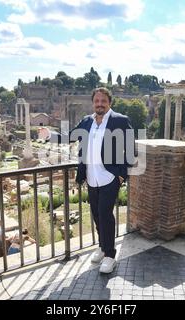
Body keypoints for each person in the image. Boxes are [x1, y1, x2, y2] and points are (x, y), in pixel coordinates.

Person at [50, 87, 135, 274]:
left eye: (103, 101)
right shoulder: (87, 121)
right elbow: (70, 137)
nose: (100, 104)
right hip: (91, 177)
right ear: (93, 103)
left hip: (109, 178)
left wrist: (121, 176)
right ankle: (102, 247)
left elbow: (131, 150)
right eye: (96, 101)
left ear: (109, 103)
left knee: (105, 215)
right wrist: (48, 135)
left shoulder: (120, 121)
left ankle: (110, 256)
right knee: (96, 214)